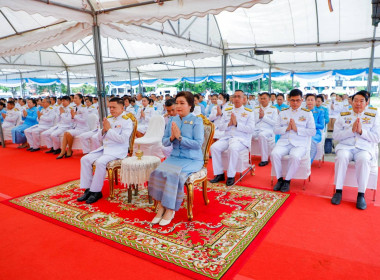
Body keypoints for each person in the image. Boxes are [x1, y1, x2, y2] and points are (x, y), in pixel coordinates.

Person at [148, 91, 204, 226]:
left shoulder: (197, 120)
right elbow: (165, 142)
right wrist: (172, 137)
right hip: (175, 157)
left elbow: (197, 145)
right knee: (158, 172)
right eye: (177, 103)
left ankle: (170, 209)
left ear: (190, 105)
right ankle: (161, 206)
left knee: (174, 175)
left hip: (192, 159)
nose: (178, 106)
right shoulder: (173, 120)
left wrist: (180, 138)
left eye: (182, 103)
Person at [78, 97, 133, 204]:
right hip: (105, 149)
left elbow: (123, 140)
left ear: (122, 108)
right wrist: (103, 131)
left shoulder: (127, 121)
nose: (111, 109)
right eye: (110, 107)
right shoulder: (109, 119)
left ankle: (96, 191)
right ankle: (88, 189)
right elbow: (99, 137)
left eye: (114, 107)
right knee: (85, 159)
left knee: (100, 162)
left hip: (118, 150)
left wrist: (109, 130)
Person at [331, 91, 380, 210]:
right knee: (341, 157)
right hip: (345, 146)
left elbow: (377, 138)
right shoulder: (343, 115)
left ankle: (361, 195)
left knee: (363, 159)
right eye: (355, 100)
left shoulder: (374, 115)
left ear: (367, 102)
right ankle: (338, 191)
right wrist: (351, 131)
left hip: (364, 148)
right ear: (351, 101)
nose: (358, 103)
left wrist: (362, 131)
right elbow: (336, 136)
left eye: (361, 101)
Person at [270, 89, 316, 192]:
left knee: (294, 156)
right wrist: (286, 129)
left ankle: (287, 180)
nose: (295, 103)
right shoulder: (283, 113)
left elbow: (312, 131)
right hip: (284, 142)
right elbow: (275, 130)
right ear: (289, 100)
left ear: (302, 100)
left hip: (300, 143)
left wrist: (296, 129)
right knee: (274, 154)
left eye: (298, 100)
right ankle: (279, 179)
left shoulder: (307, 114)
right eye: (292, 100)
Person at [209, 90, 255, 186]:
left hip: (241, 139)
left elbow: (251, 129)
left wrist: (237, 124)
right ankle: (219, 173)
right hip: (227, 137)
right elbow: (221, 127)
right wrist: (229, 123)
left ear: (244, 99)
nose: (237, 99)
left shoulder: (249, 112)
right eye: (235, 96)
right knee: (214, 147)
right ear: (232, 99)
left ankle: (231, 175)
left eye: (239, 97)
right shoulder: (227, 111)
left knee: (233, 148)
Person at [56, 94, 89, 159]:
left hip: (83, 128)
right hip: (76, 127)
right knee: (66, 133)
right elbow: (72, 120)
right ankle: (63, 151)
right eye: (74, 98)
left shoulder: (84, 108)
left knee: (67, 133)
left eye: (76, 98)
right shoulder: (73, 108)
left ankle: (69, 150)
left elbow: (84, 120)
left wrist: (74, 116)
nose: (74, 99)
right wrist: (72, 117)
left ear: (81, 99)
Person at [253, 92, 278, 166]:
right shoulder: (256, 109)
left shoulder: (273, 109)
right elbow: (253, 121)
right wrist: (260, 117)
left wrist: (264, 117)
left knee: (262, 135)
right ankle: (247, 157)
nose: (263, 100)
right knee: (247, 133)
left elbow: (275, 123)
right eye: (261, 98)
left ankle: (264, 159)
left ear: (269, 99)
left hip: (268, 130)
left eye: (264, 98)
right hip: (257, 129)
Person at [305, 94, 325, 163]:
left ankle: (308, 163)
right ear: (305, 101)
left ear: (315, 101)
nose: (310, 102)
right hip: (303, 132)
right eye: (308, 100)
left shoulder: (320, 112)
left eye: (312, 100)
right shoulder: (302, 111)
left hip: (315, 133)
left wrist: (311, 124)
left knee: (312, 142)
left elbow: (322, 126)